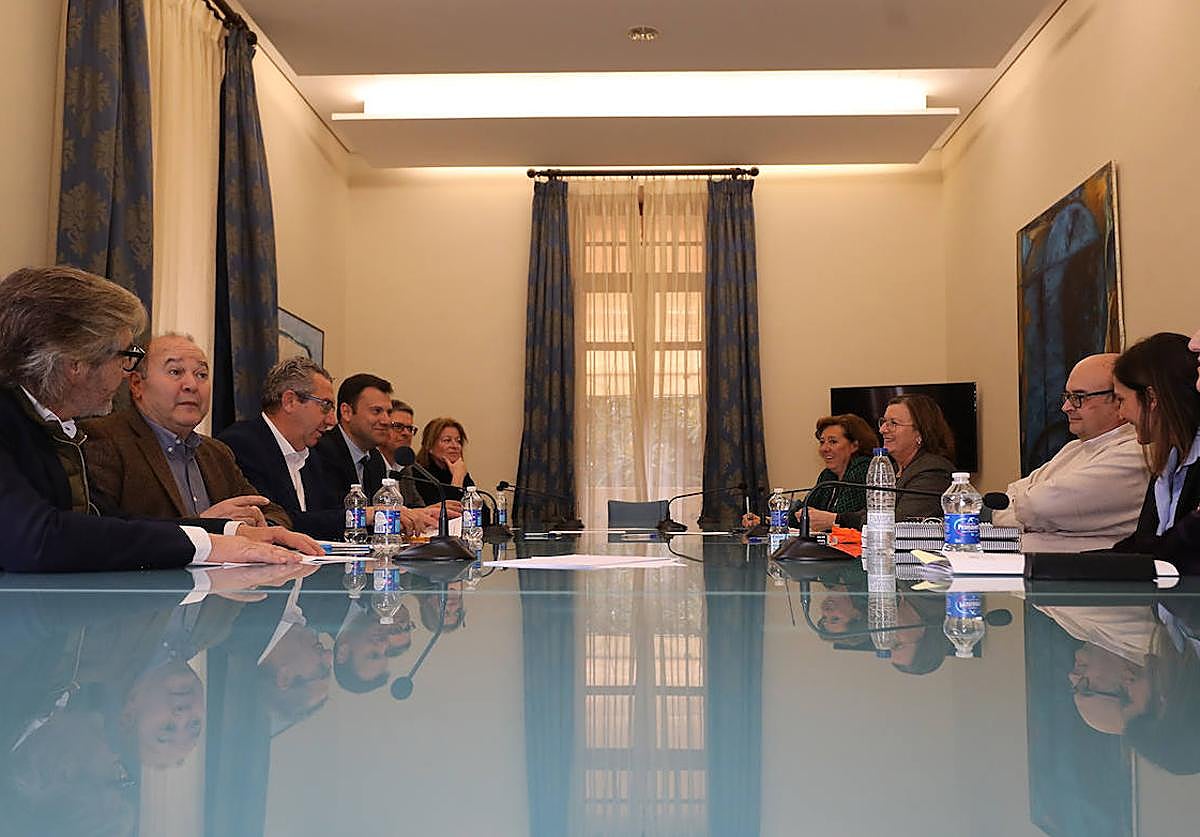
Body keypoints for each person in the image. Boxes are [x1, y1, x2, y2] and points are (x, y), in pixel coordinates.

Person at [0, 266, 317, 572]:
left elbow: (102, 524)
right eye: (125, 357)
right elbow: (35, 538)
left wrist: (230, 532)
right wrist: (207, 545)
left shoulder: (47, 426)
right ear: (76, 362)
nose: (126, 372)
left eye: (201, 374)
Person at [83, 333, 291, 528]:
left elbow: (274, 513)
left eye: (201, 374)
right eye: (175, 372)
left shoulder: (217, 453)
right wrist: (206, 526)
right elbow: (105, 531)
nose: (191, 385)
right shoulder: (102, 439)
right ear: (137, 384)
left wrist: (259, 526)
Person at [218, 359, 436, 539]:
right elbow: (276, 521)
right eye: (325, 406)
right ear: (290, 401)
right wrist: (365, 515)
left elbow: (324, 518)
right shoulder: (242, 445)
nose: (332, 420)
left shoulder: (310, 455)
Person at [991, 354, 1149, 551]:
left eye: (1079, 398)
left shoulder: (1136, 454)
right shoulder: (1073, 448)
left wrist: (1027, 516)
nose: (1066, 407)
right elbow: (1004, 502)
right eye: (1067, 396)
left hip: (1085, 567)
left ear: (1118, 400)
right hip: (1031, 562)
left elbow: (1039, 507)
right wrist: (1033, 519)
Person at [1109, 333, 1200, 558]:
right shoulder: (1170, 460)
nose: (1120, 414)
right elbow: (1144, 545)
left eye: (1121, 400)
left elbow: (1177, 552)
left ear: (1151, 398)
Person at [741, 413, 877, 531]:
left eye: (833, 442)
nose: (824, 448)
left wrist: (820, 518)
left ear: (854, 445)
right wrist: (766, 521)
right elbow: (802, 513)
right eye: (822, 442)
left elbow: (843, 518)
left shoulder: (863, 469)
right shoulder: (827, 475)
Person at [838, 394, 955, 526]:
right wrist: (832, 519)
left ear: (919, 433)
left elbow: (900, 522)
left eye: (893, 423)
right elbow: (873, 512)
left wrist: (837, 520)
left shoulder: (934, 472)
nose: (882, 430)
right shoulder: (893, 468)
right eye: (883, 422)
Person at [311, 373, 392, 500]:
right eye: (376, 411)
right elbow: (332, 509)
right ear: (346, 412)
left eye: (389, 412)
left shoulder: (376, 459)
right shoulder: (320, 452)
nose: (386, 421)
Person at [413, 417, 477, 506]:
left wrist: (460, 475)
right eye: (447, 440)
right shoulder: (418, 473)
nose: (455, 446)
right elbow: (445, 511)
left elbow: (483, 510)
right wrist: (457, 479)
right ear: (429, 446)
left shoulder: (458, 469)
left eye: (458, 441)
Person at [381, 399, 416, 472]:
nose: (406, 433)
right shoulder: (367, 464)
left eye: (409, 428)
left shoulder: (409, 469)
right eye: (398, 426)